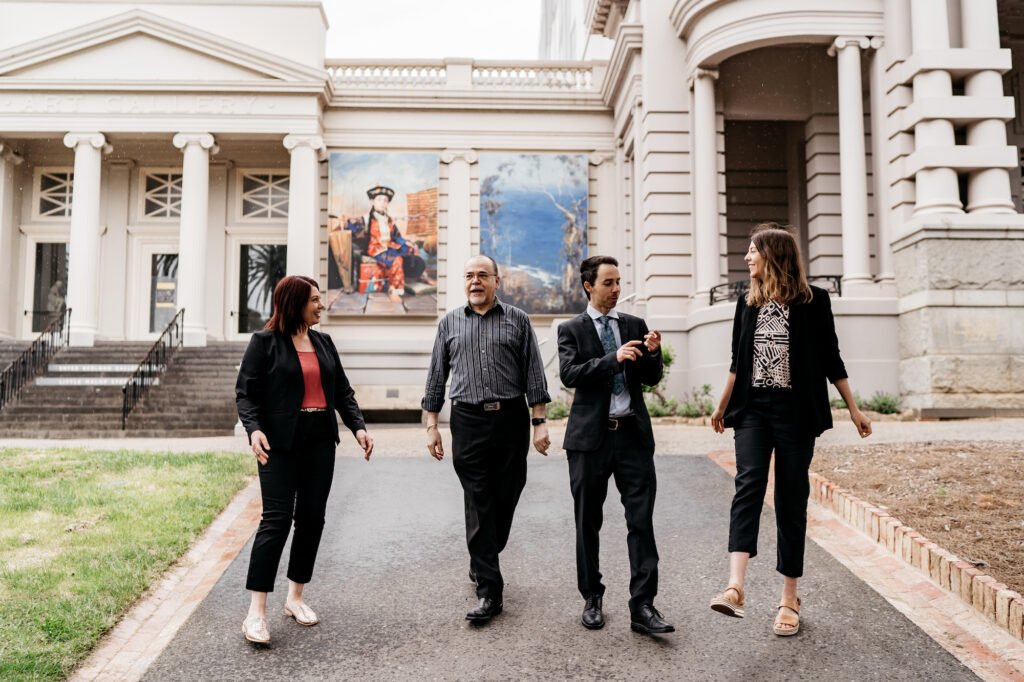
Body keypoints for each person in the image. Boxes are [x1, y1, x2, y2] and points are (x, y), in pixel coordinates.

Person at [708, 223, 872, 636]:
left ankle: (788, 597)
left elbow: (831, 358)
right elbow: (736, 361)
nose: (747, 258)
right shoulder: (747, 303)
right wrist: (722, 404)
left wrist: (854, 410)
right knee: (748, 484)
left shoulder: (813, 301)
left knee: (789, 497)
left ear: (773, 255)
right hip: (753, 411)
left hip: (796, 413)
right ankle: (735, 587)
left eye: (753, 251)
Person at [235, 275, 374, 644]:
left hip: (319, 441)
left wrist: (358, 427)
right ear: (295, 302)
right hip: (278, 444)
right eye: (314, 299)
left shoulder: (323, 342)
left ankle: (295, 598)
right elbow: (246, 395)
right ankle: (256, 613)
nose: (321, 305)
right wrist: (253, 429)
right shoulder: (264, 343)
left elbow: (342, 391)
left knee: (312, 519)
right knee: (276, 521)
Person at [422, 254, 551, 623]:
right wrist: (431, 425)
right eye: (469, 276)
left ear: (497, 281)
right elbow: (436, 377)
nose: (475, 281)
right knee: (478, 498)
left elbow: (534, 374)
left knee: (508, 492)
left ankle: (483, 555)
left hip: (510, 418)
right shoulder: (449, 323)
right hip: (467, 419)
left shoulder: (518, 320)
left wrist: (538, 422)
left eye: (482, 275)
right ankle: (490, 590)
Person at [557, 255, 675, 635]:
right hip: (590, 440)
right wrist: (613, 358)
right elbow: (570, 374)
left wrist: (652, 353)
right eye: (608, 282)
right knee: (587, 521)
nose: (617, 289)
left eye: (619, 282)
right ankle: (592, 596)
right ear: (589, 286)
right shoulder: (571, 328)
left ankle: (643, 606)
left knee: (641, 521)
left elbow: (650, 379)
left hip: (632, 437)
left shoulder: (634, 325)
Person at [364, 185, 425, 303]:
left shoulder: (389, 220)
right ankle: (393, 289)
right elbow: (353, 227)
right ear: (372, 201)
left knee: (412, 248)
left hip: (389, 246)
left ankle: (420, 275)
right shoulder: (366, 219)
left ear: (388, 203)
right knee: (397, 259)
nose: (382, 203)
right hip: (376, 249)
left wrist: (407, 243)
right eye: (379, 200)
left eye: (385, 200)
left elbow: (397, 237)